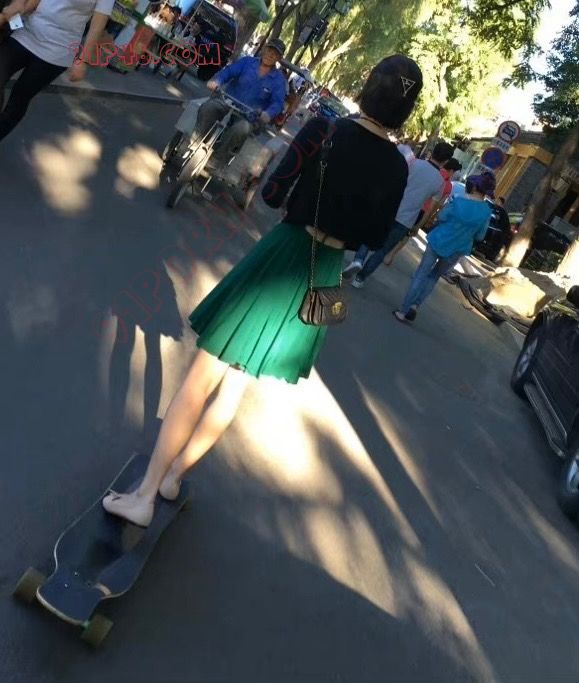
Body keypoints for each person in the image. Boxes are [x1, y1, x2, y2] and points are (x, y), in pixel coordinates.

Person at [102, 54, 423, 527]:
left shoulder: (324, 131)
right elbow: (374, 237)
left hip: (285, 254)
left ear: (368, 85)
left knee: (203, 375)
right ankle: (172, 478)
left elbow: (273, 194)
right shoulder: (398, 167)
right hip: (325, 271)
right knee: (237, 383)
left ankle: (144, 496)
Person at [342, 141, 455, 288]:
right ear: (446, 161)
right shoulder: (440, 182)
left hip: (389, 208)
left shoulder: (413, 163)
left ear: (432, 152)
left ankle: (358, 260)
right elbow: (430, 209)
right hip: (406, 220)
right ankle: (360, 279)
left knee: (369, 236)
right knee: (383, 251)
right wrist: (417, 226)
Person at [0, 0, 114, 142]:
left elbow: (98, 24)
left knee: (19, 99)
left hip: (57, 51)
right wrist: (17, 11)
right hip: (27, 33)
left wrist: (83, 60)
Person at [393, 173, 496, 323]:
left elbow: (441, 217)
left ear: (474, 187)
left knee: (421, 273)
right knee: (434, 276)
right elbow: (480, 236)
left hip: (438, 239)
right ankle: (415, 305)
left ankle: (403, 311)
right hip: (458, 248)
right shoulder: (486, 212)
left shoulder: (458, 201)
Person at [185, 38, 287, 166]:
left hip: (249, 116)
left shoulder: (279, 80)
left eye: (275, 54)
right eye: (269, 50)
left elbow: (278, 103)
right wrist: (217, 81)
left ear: (279, 58)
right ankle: (195, 142)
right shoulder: (247, 62)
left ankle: (216, 159)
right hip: (227, 102)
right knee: (208, 108)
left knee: (241, 129)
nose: (270, 55)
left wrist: (268, 114)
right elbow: (228, 72)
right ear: (264, 49)